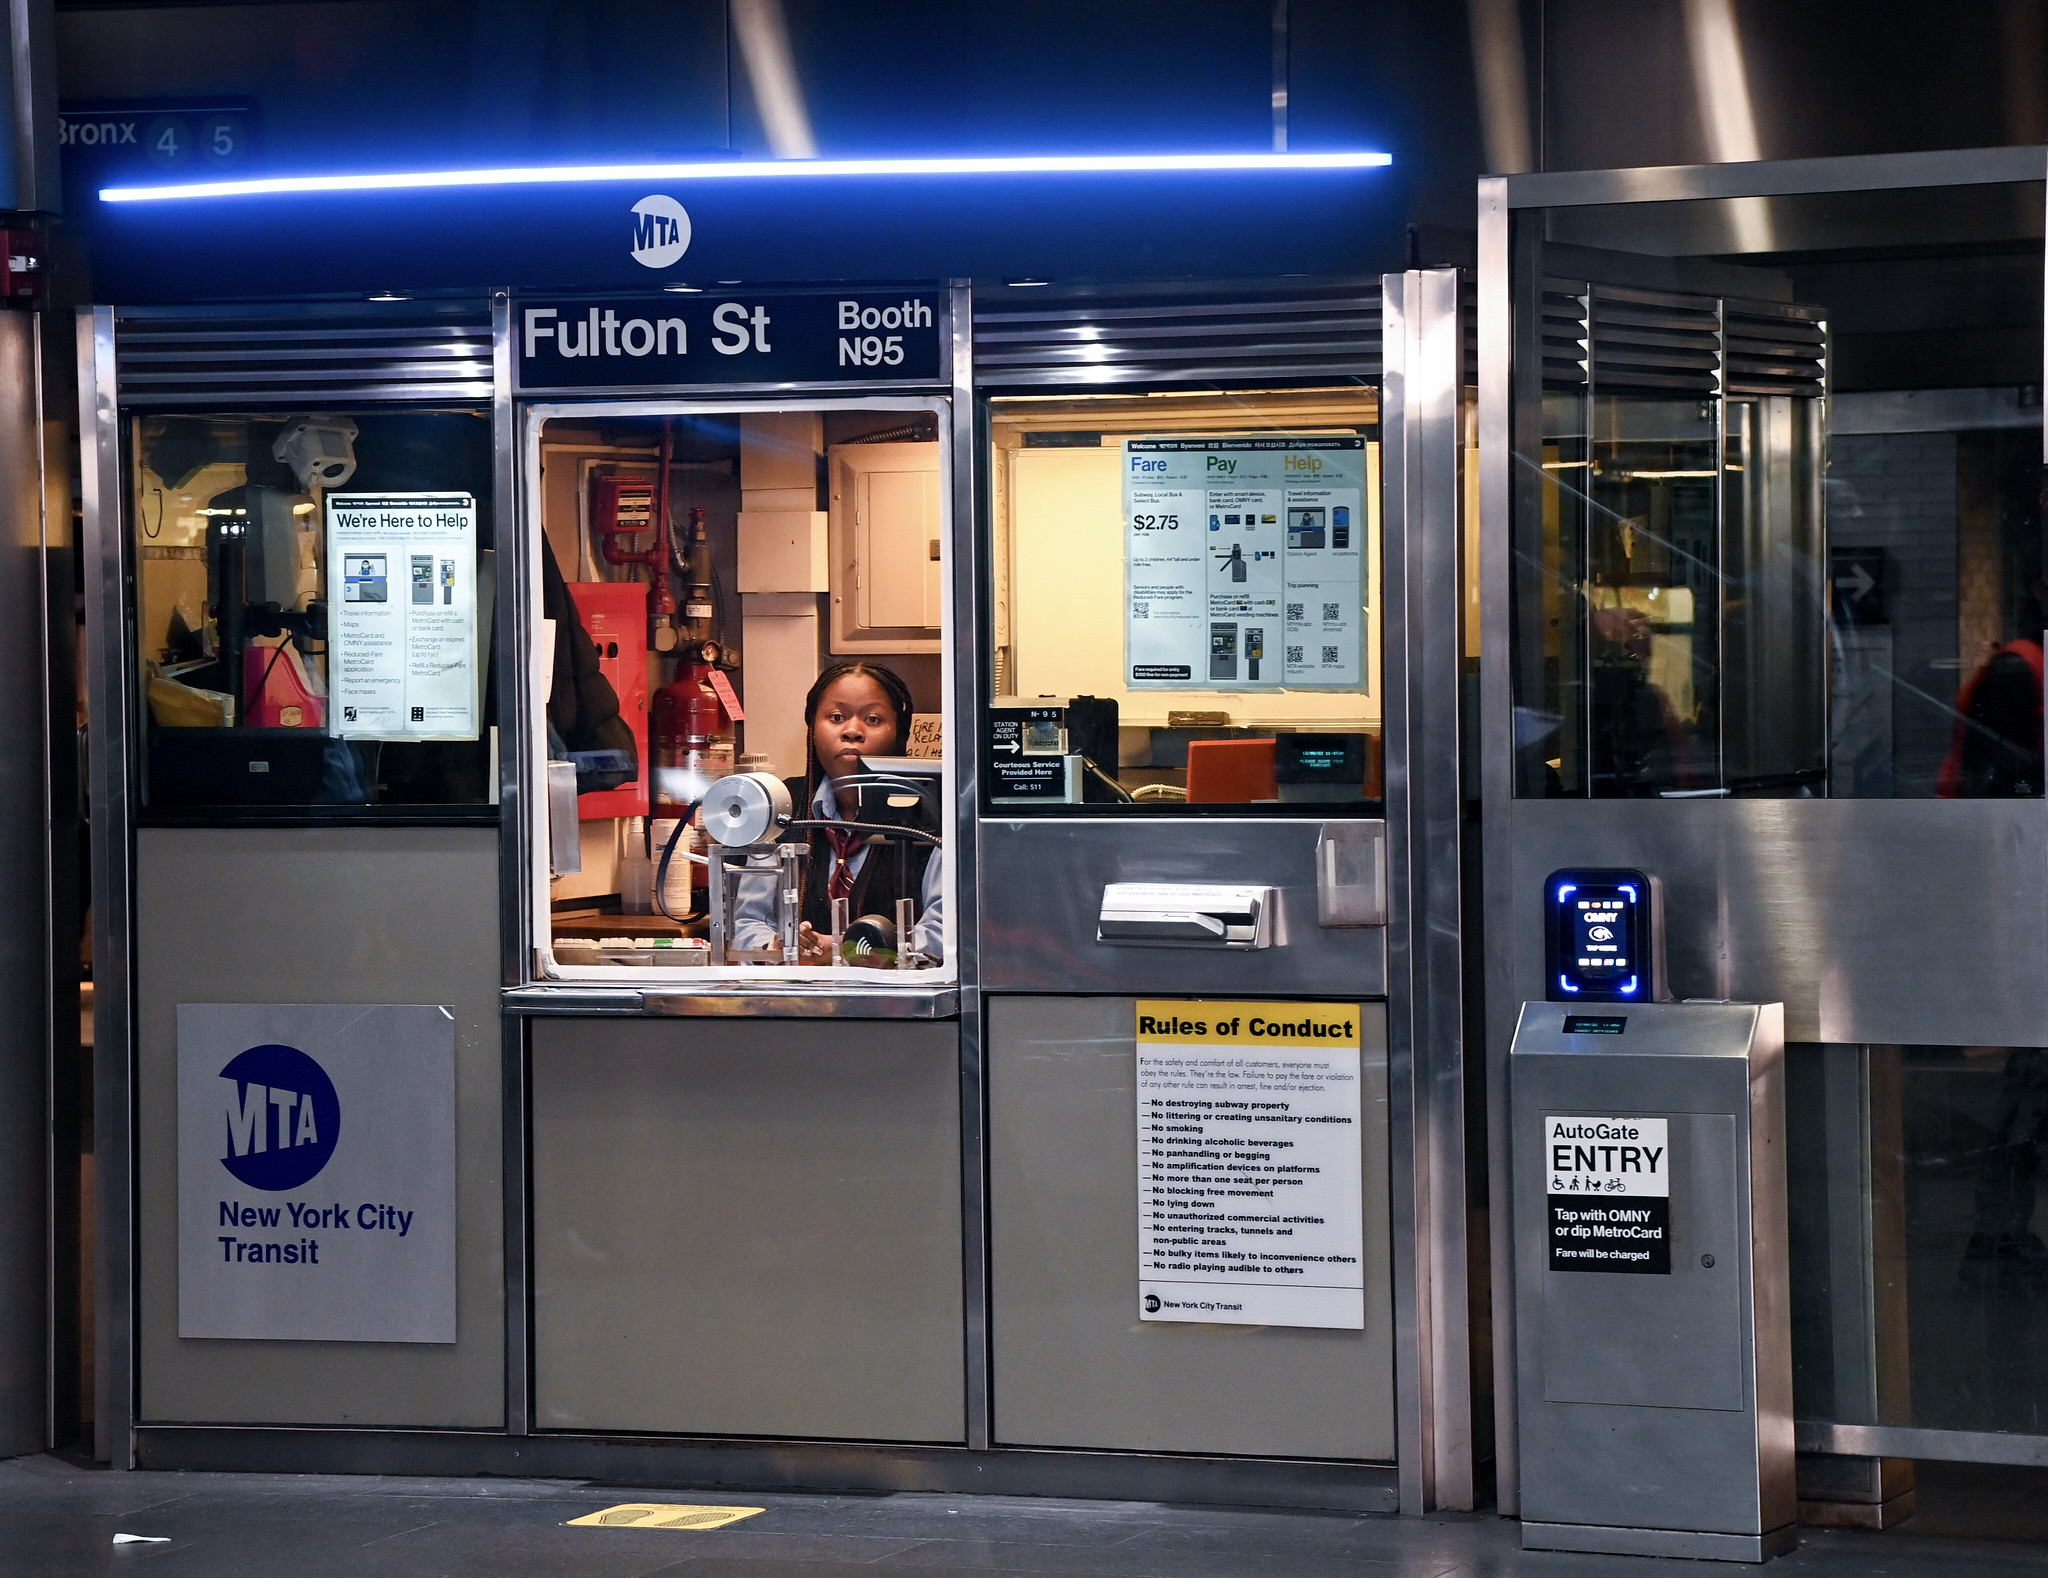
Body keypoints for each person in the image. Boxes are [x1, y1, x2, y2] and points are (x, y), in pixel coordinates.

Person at [729, 660, 943, 964]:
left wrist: (850, 947)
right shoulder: (782, 806)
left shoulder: (931, 812)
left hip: (898, 998)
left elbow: (944, 932)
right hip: (798, 998)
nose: (852, 731)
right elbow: (748, 923)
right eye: (837, 717)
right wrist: (778, 946)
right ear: (813, 728)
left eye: (872, 719)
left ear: (900, 732)